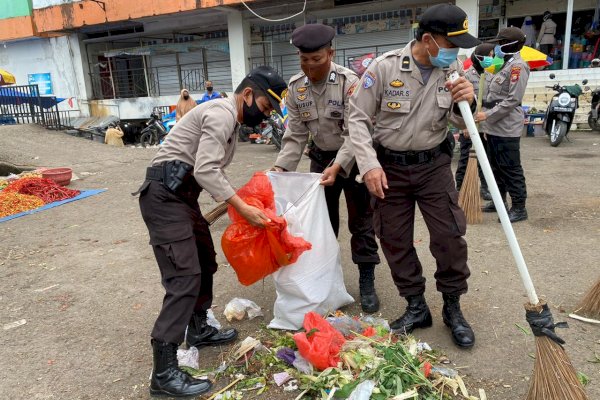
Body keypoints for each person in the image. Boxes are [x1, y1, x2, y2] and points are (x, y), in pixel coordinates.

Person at [135, 66, 287, 398]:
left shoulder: (229, 120)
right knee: (184, 275)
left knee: (204, 259)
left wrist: (234, 203)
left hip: (182, 196)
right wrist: (243, 208)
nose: (264, 116)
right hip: (164, 197)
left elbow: (205, 171)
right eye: (264, 107)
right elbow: (205, 168)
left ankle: (199, 327)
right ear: (247, 94)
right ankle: (163, 372)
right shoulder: (221, 113)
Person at [348, 3, 479, 348]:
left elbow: (462, 123)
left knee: (449, 236)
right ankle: (416, 305)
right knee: (393, 238)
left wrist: (469, 102)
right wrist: (368, 164)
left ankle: (453, 307)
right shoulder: (385, 67)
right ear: (427, 40)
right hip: (388, 168)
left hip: (433, 166)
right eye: (451, 45)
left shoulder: (453, 74)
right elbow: (357, 118)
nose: (456, 53)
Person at [272, 24, 381, 313]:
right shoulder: (296, 88)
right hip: (319, 161)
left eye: (316, 59)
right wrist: (281, 168)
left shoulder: (349, 82)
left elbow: (354, 132)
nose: (310, 67)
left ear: (330, 54)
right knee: (321, 225)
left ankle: (367, 280)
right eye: (304, 60)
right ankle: (326, 281)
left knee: (362, 222)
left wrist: (338, 166)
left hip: (353, 158)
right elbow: (295, 135)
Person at [476, 27, 530, 223]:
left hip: (506, 127)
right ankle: (499, 202)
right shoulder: (504, 65)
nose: (497, 46)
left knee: (510, 168)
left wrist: (486, 115)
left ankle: (519, 207)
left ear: (510, 45)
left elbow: (512, 100)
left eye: (500, 43)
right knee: (495, 167)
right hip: (493, 127)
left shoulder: (518, 67)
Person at [455, 43, 495, 200]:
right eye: (489, 55)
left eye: (492, 55)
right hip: (467, 124)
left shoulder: (490, 77)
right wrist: (466, 124)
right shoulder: (465, 76)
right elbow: (461, 103)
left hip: (484, 125)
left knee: (485, 159)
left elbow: (489, 103)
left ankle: (485, 187)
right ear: (479, 56)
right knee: (465, 157)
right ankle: (459, 186)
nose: (491, 58)